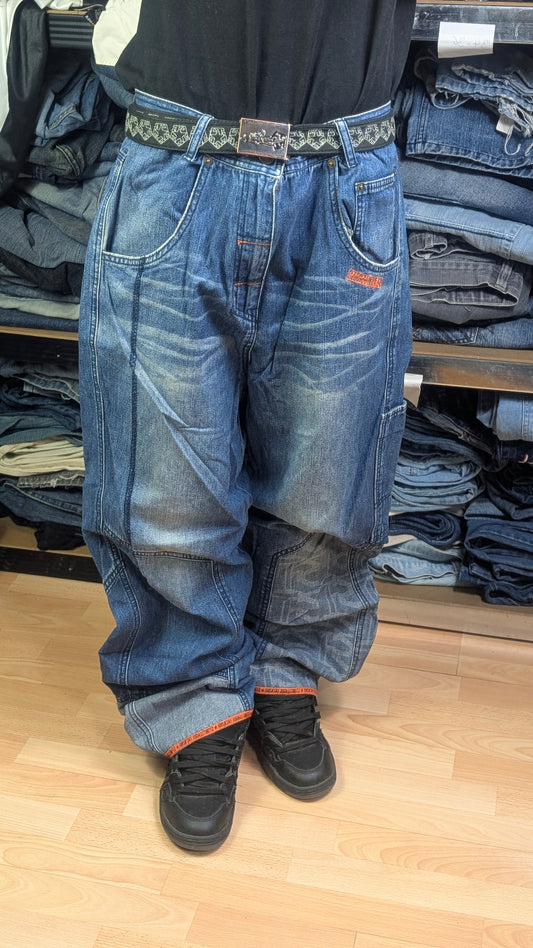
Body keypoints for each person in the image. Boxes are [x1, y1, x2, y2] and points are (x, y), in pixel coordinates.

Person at [79, 0, 417, 853]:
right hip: (176, 159)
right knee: (163, 476)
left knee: (329, 465)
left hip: (347, 169)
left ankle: (284, 670)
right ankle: (192, 698)